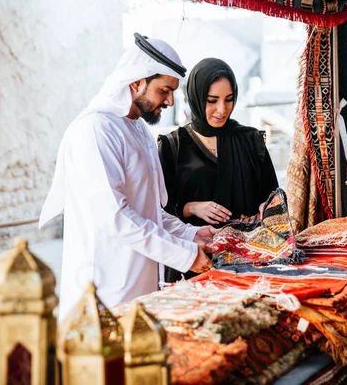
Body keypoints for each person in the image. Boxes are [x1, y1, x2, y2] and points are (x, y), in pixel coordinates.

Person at [39, 34, 215, 322]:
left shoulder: (139, 129)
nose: (170, 101)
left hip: (139, 286)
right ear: (136, 82)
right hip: (105, 292)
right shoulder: (96, 130)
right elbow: (117, 218)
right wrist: (186, 256)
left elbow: (148, 211)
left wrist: (191, 234)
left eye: (172, 92)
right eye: (163, 91)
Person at [158, 58, 279, 282]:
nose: (222, 110)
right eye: (212, 100)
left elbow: (274, 199)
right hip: (193, 264)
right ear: (195, 97)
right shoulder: (172, 146)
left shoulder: (251, 141)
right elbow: (158, 212)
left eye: (229, 100)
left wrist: (268, 209)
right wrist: (192, 208)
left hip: (250, 263)